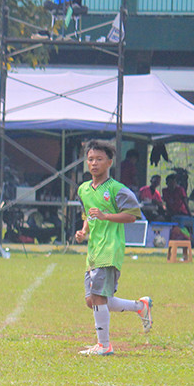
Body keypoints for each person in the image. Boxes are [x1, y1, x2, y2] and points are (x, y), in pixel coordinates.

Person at [73, 140, 153, 356]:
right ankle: (140, 306)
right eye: (90, 159)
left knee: (99, 297)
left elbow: (133, 215)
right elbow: (88, 214)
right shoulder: (83, 189)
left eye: (99, 159)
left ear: (109, 162)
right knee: (93, 301)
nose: (94, 163)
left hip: (110, 249)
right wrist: (84, 230)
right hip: (94, 250)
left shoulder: (118, 190)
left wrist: (107, 216)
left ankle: (104, 345)